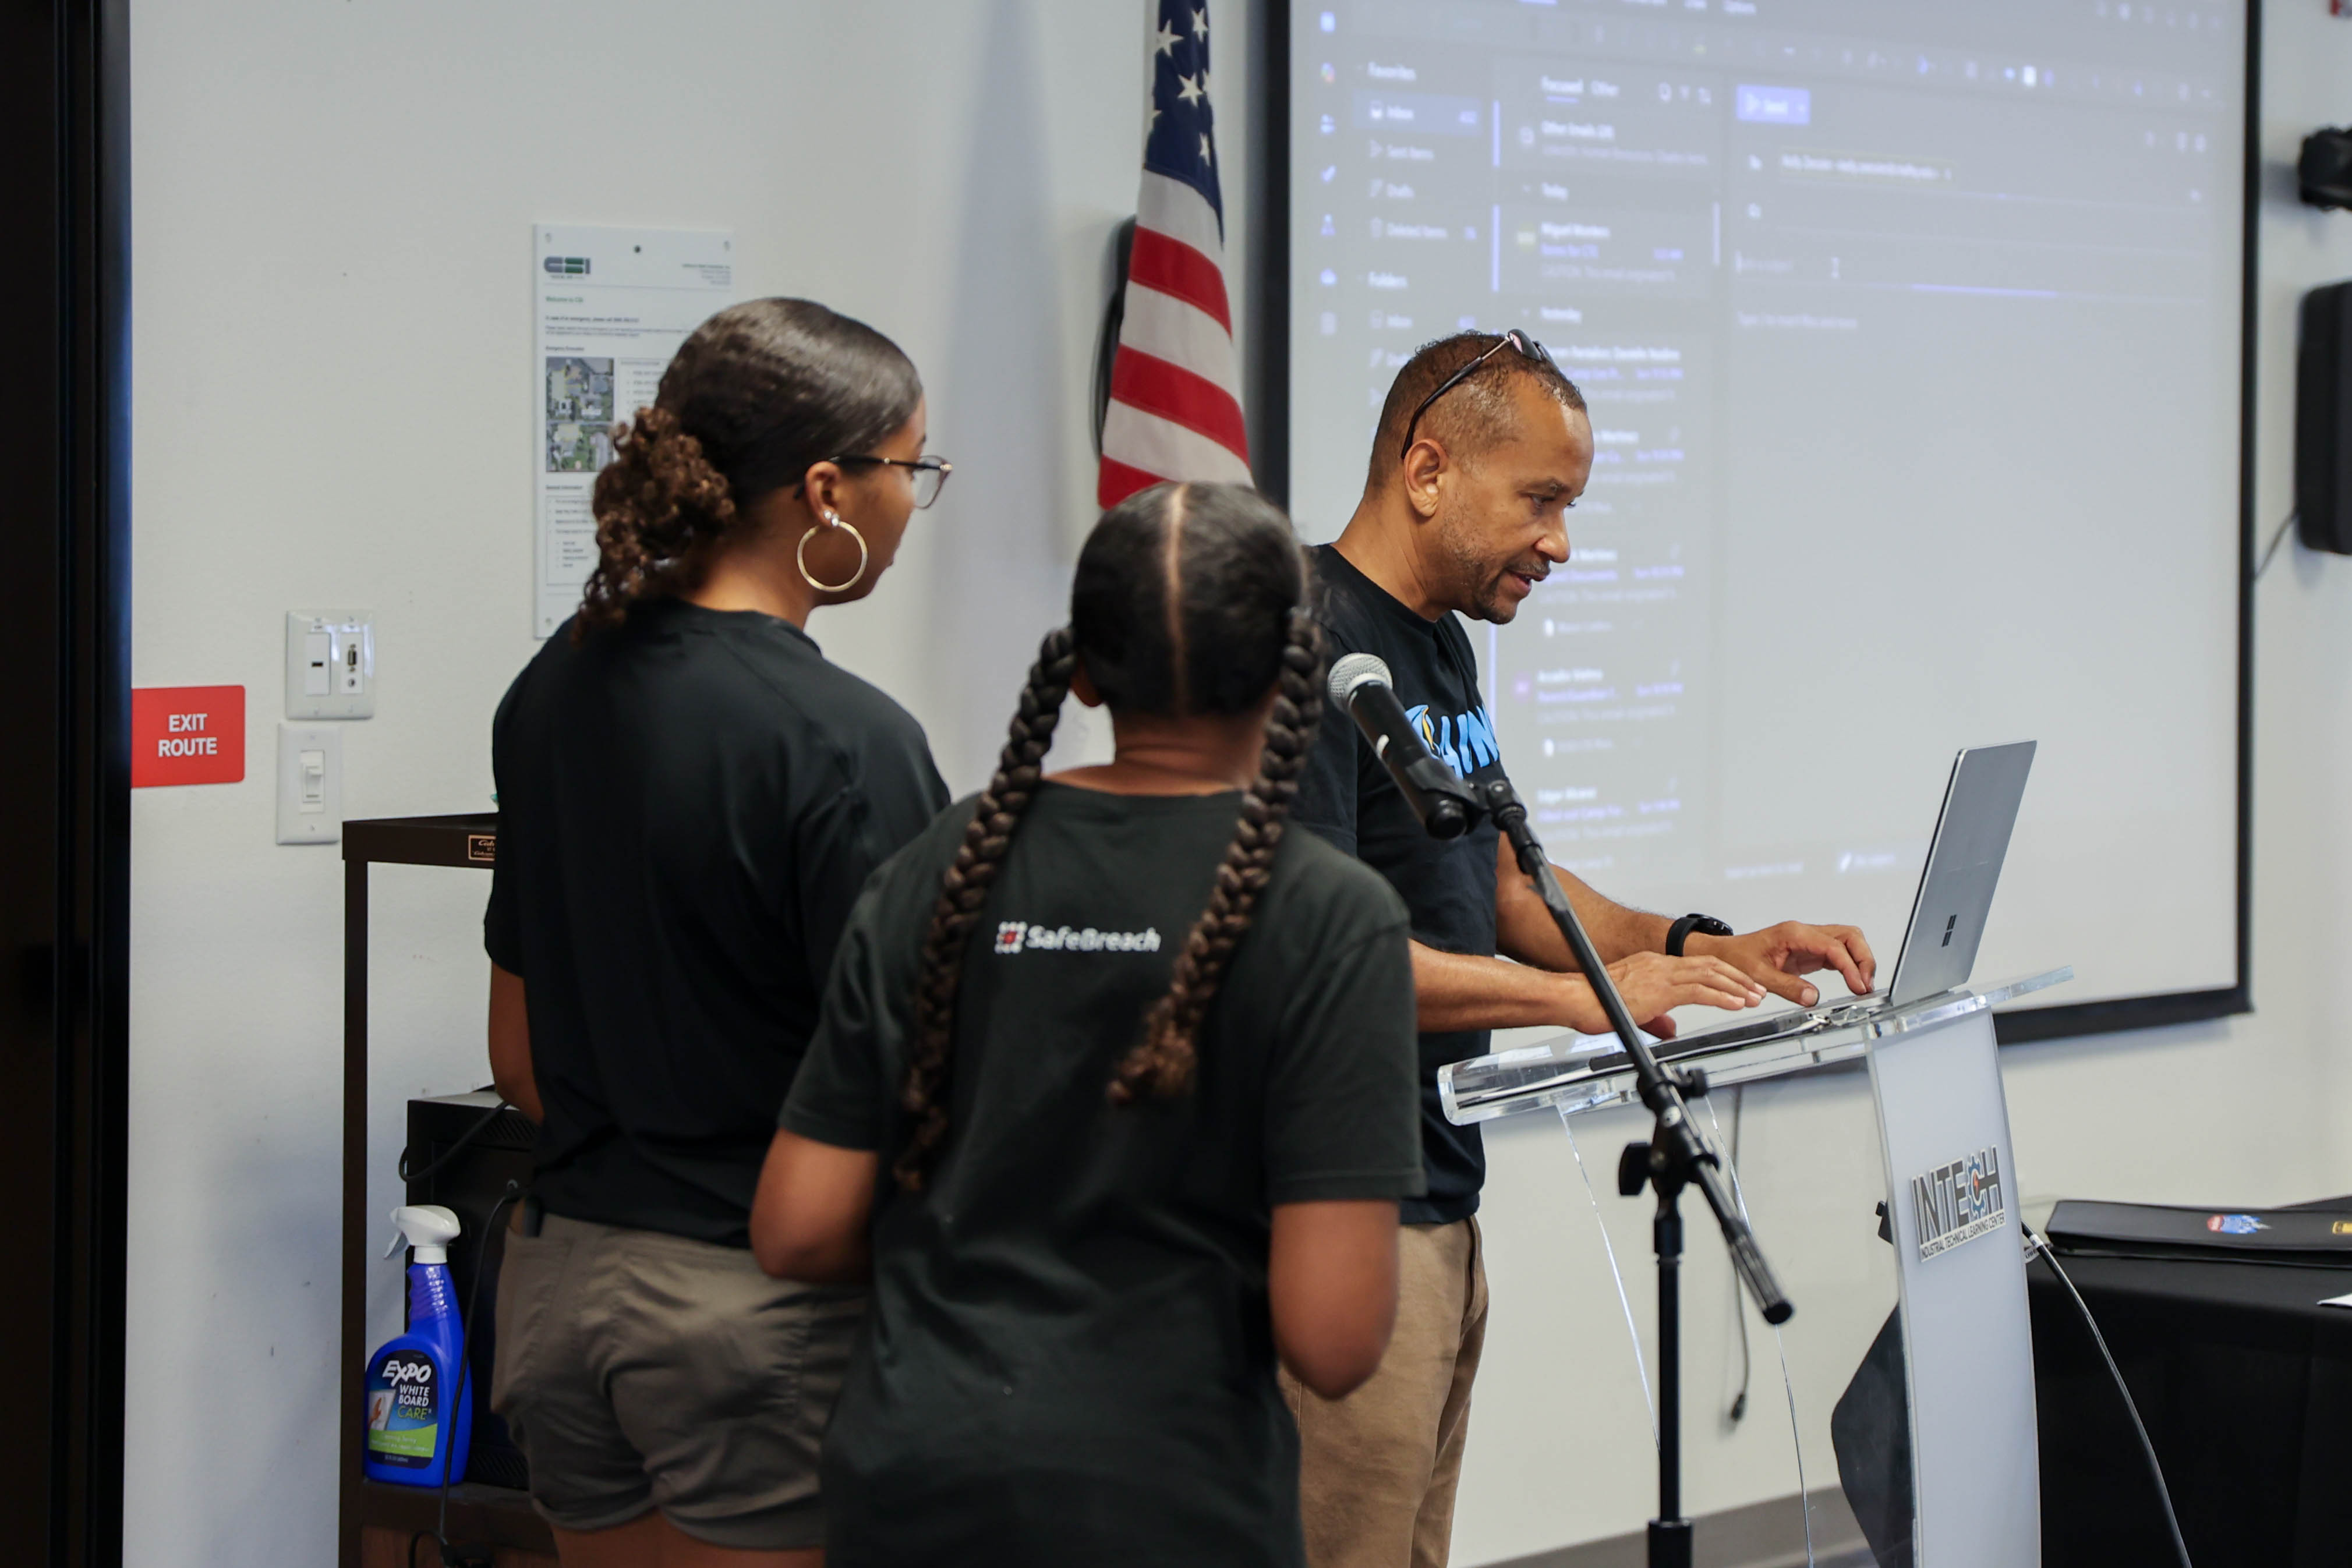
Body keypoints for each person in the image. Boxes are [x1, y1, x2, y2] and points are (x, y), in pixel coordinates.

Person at [748, 482, 1427, 1568]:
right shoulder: (1328, 918)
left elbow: (796, 1227)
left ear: (1079, 667)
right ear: (1291, 671)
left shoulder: (943, 865)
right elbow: (1335, 1337)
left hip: (917, 1480)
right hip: (1172, 1499)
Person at [1286, 330, 1880, 1568]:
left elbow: (1500, 883)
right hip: (1333, 1209)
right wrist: (1579, 997)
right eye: (1542, 500)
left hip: (1437, 1195)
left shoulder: (1435, 640)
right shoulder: (1301, 641)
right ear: (1429, 469)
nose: (1561, 541)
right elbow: (1312, 962)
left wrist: (1702, 940)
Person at [482, 298, 954, 1567]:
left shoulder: (551, 690)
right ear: (824, 490)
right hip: (752, 1321)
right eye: (911, 468)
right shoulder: (845, 741)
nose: (917, 500)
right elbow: (926, 1097)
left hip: (557, 1300)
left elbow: (518, 1059)